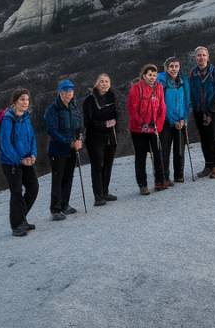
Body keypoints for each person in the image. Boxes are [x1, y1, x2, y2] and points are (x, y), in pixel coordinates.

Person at [0, 88, 39, 236]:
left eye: (27, 100)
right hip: (11, 162)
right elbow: (5, 144)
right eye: (22, 99)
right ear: (15, 102)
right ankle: (16, 225)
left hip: (27, 160)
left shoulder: (26, 117)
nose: (25, 102)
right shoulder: (8, 119)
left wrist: (33, 155)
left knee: (33, 188)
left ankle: (21, 219)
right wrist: (19, 160)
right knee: (16, 192)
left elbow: (32, 138)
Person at [43, 79, 83, 221]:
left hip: (72, 148)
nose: (68, 94)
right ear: (60, 92)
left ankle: (65, 205)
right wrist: (69, 143)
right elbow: (52, 131)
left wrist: (79, 139)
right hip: (57, 149)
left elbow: (78, 125)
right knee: (58, 179)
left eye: (71, 91)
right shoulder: (52, 109)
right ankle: (56, 209)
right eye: (65, 91)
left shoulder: (73, 107)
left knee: (68, 177)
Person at [127, 63, 166, 195]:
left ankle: (160, 181)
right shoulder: (136, 89)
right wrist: (142, 124)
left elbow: (162, 107)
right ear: (144, 75)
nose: (152, 78)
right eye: (149, 75)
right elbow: (133, 109)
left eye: (154, 75)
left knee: (157, 154)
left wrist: (159, 125)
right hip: (139, 130)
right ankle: (142, 185)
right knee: (141, 156)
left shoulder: (159, 88)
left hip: (154, 128)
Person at [83, 73, 119, 206]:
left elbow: (118, 115)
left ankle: (105, 191)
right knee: (98, 166)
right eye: (102, 81)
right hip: (95, 138)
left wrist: (115, 126)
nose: (104, 84)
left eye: (107, 81)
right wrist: (104, 124)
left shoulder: (113, 97)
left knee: (108, 165)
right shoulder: (90, 100)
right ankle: (98, 196)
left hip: (111, 136)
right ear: (96, 84)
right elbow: (88, 121)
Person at [188, 46, 215, 179]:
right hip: (198, 110)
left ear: (208, 57)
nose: (201, 58)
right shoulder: (192, 74)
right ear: (195, 58)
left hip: (213, 109)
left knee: (213, 137)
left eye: (203, 55)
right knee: (204, 138)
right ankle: (208, 165)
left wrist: (209, 111)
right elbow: (191, 92)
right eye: (198, 55)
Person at [158, 57, 189, 185]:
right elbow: (161, 105)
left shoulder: (183, 82)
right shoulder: (161, 83)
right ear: (166, 68)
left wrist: (184, 118)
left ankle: (179, 175)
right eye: (171, 66)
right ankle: (165, 177)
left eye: (176, 66)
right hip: (166, 122)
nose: (174, 69)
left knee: (180, 149)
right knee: (164, 150)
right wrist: (171, 120)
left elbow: (187, 102)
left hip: (181, 121)